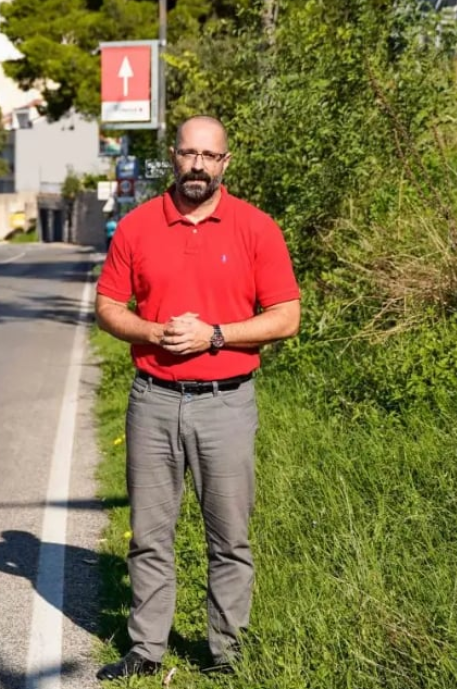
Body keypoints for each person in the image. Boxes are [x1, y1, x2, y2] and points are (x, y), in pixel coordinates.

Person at [94, 116, 302, 680]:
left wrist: (215, 334)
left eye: (210, 157)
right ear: (173, 156)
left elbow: (286, 317)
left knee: (229, 537)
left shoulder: (256, 228)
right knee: (149, 535)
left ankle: (226, 652)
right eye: (189, 154)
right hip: (152, 399)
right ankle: (146, 649)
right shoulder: (137, 227)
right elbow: (108, 306)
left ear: (225, 163)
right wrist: (153, 331)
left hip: (226, 403)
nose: (197, 166)